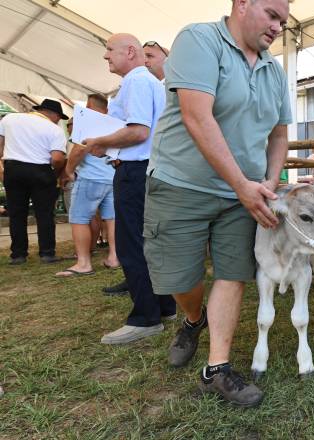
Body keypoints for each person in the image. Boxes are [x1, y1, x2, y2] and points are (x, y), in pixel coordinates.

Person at [144, 0, 291, 407]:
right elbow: (197, 118)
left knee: (233, 271)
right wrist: (242, 184)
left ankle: (217, 369)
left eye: (283, 20)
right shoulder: (199, 40)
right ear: (242, 4)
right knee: (178, 279)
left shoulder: (274, 71)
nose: (279, 27)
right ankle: (193, 318)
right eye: (273, 15)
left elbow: (279, 135)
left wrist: (269, 181)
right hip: (182, 184)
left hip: (242, 194)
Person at [83, 33, 176, 344]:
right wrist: (112, 149)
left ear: (130, 52)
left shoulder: (137, 81)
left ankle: (146, 318)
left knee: (130, 245)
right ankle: (164, 306)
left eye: (110, 50)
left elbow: (137, 131)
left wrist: (99, 142)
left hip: (136, 171)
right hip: (146, 168)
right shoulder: (147, 82)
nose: (106, 56)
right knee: (149, 244)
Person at [56, 94, 120, 277]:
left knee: (79, 218)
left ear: (89, 105)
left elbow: (79, 149)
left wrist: (69, 170)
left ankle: (83, 263)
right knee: (112, 219)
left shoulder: (90, 121)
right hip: (112, 177)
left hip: (91, 177)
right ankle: (114, 257)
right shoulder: (114, 122)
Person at [0, 99, 67, 265]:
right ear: (55, 115)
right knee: (44, 213)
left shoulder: (9, 118)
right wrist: (56, 173)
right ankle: (47, 253)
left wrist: (4, 167)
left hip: (13, 168)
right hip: (41, 170)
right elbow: (57, 159)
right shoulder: (54, 129)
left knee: (16, 213)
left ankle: (18, 254)